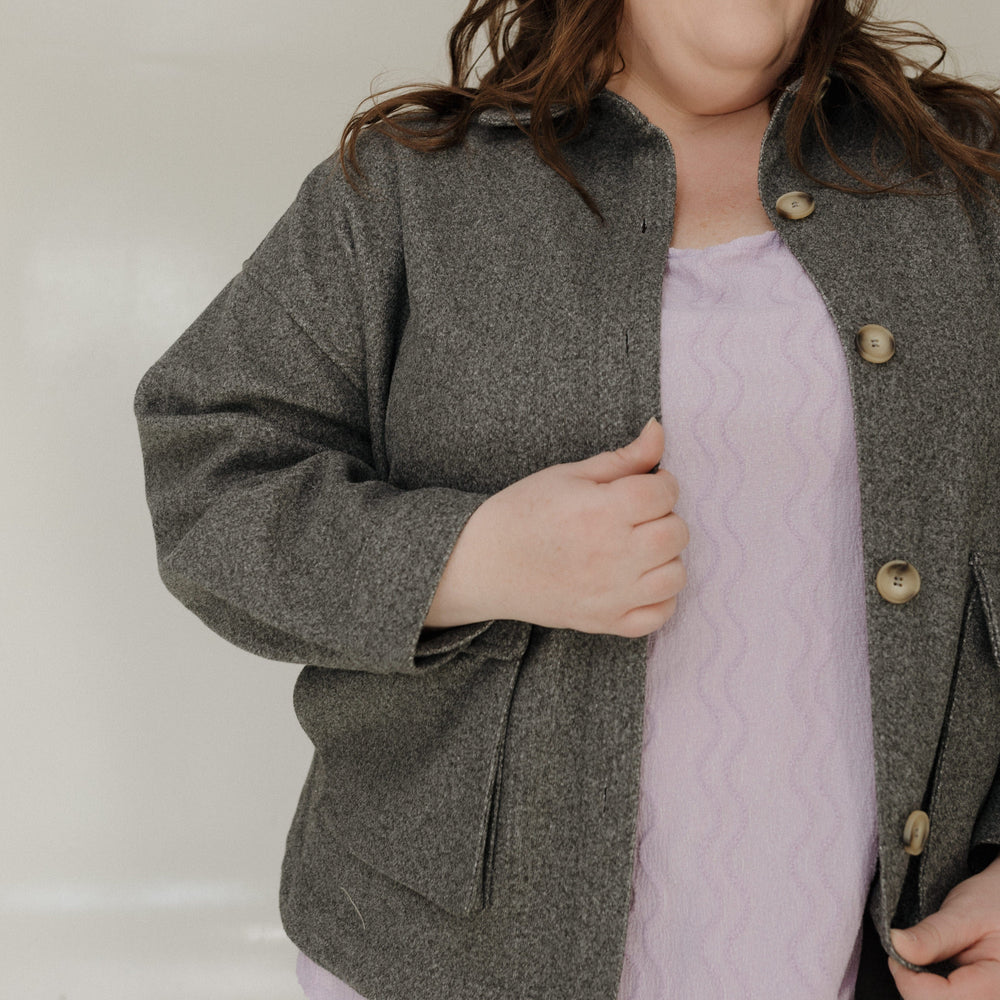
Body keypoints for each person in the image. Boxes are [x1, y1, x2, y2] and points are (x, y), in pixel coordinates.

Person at [134, 0, 1000, 997]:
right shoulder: (411, 189)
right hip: (445, 962)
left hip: (873, 955)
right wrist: (469, 557)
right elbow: (207, 475)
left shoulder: (966, 183)